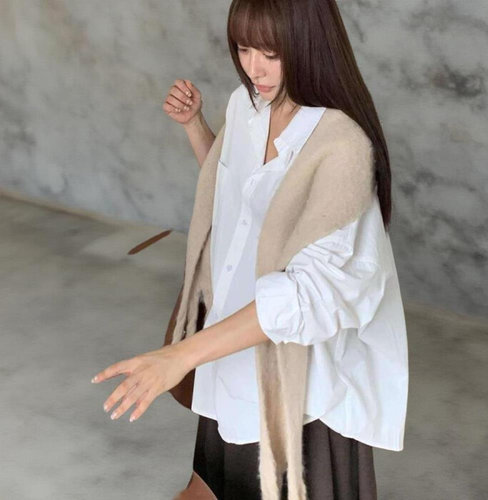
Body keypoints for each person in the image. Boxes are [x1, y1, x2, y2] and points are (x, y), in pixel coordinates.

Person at [91, 1, 409, 499]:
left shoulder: (341, 147)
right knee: (207, 487)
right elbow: (235, 196)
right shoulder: (247, 105)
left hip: (298, 378)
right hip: (233, 344)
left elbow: (310, 295)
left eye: (270, 53)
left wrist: (179, 356)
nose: (253, 68)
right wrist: (195, 125)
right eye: (243, 49)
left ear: (308, 46)